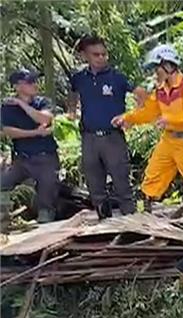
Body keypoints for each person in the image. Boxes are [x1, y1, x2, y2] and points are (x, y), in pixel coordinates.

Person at [112, 44, 183, 215]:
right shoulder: (160, 90)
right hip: (169, 141)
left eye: (157, 68)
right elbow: (148, 112)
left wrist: (169, 120)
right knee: (152, 176)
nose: (155, 73)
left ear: (168, 65)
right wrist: (127, 118)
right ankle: (143, 213)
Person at [67, 34, 142, 219]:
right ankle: (103, 221)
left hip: (112, 137)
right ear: (85, 55)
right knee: (94, 183)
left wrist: (132, 117)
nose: (101, 58)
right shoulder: (79, 78)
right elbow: (72, 93)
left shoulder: (116, 77)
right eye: (95, 54)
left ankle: (132, 221)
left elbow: (141, 94)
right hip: (89, 137)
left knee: (121, 181)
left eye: (103, 54)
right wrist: (71, 111)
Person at [1, 69, 59, 223]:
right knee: (3, 184)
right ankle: (6, 217)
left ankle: (45, 222)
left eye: (35, 81)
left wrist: (22, 104)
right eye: (29, 82)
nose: (35, 84)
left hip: (45, 157)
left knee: (46, 198)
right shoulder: (7, 108)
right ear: (17, 86)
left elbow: (44, 119)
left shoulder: (43, 102)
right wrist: (35, 133)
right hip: (22, 159)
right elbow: (9, 132)